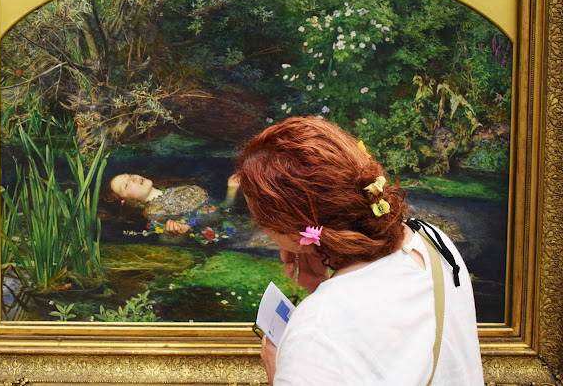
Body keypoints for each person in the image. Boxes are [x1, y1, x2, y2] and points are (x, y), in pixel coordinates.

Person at [235, 116, 484, 385]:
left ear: (296, 232)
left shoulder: (314, 330)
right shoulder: (433, 240)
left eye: (260, 220)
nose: (261, 228)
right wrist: (322, 284)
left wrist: (277, 370)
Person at [107, 172, 240, 241]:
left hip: (236, 223)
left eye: (129, 175)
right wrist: (184, 230)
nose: (133, 178)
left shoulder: (175, 187)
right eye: (126, 185)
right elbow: (211, 217)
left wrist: (232, 188)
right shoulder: (155, 214)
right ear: (126, 201)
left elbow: (223, 209)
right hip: (229, 236)